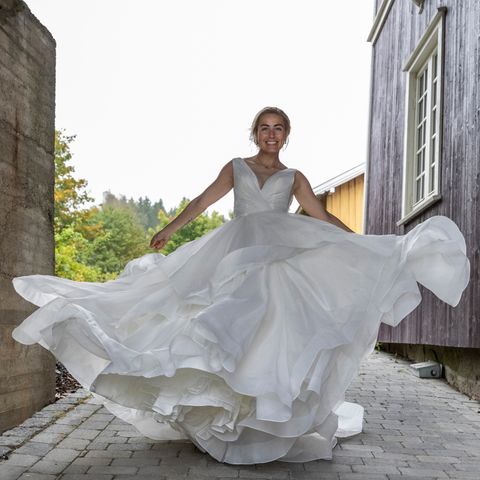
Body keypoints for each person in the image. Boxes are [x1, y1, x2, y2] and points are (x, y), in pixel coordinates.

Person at [12, 106, 470, 465]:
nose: (271, 135)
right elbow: (205, 197)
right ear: (255, 134)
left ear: (286, 135)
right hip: (236, 251)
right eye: (264, 128)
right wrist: (172, 228)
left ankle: (258, 420)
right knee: (219, 322)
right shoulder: (236, 166)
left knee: (269, 331)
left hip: (280, 254)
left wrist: (364, 243)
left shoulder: (296, 178)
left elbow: (319, 216)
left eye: (278, 129)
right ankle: (222, 413)